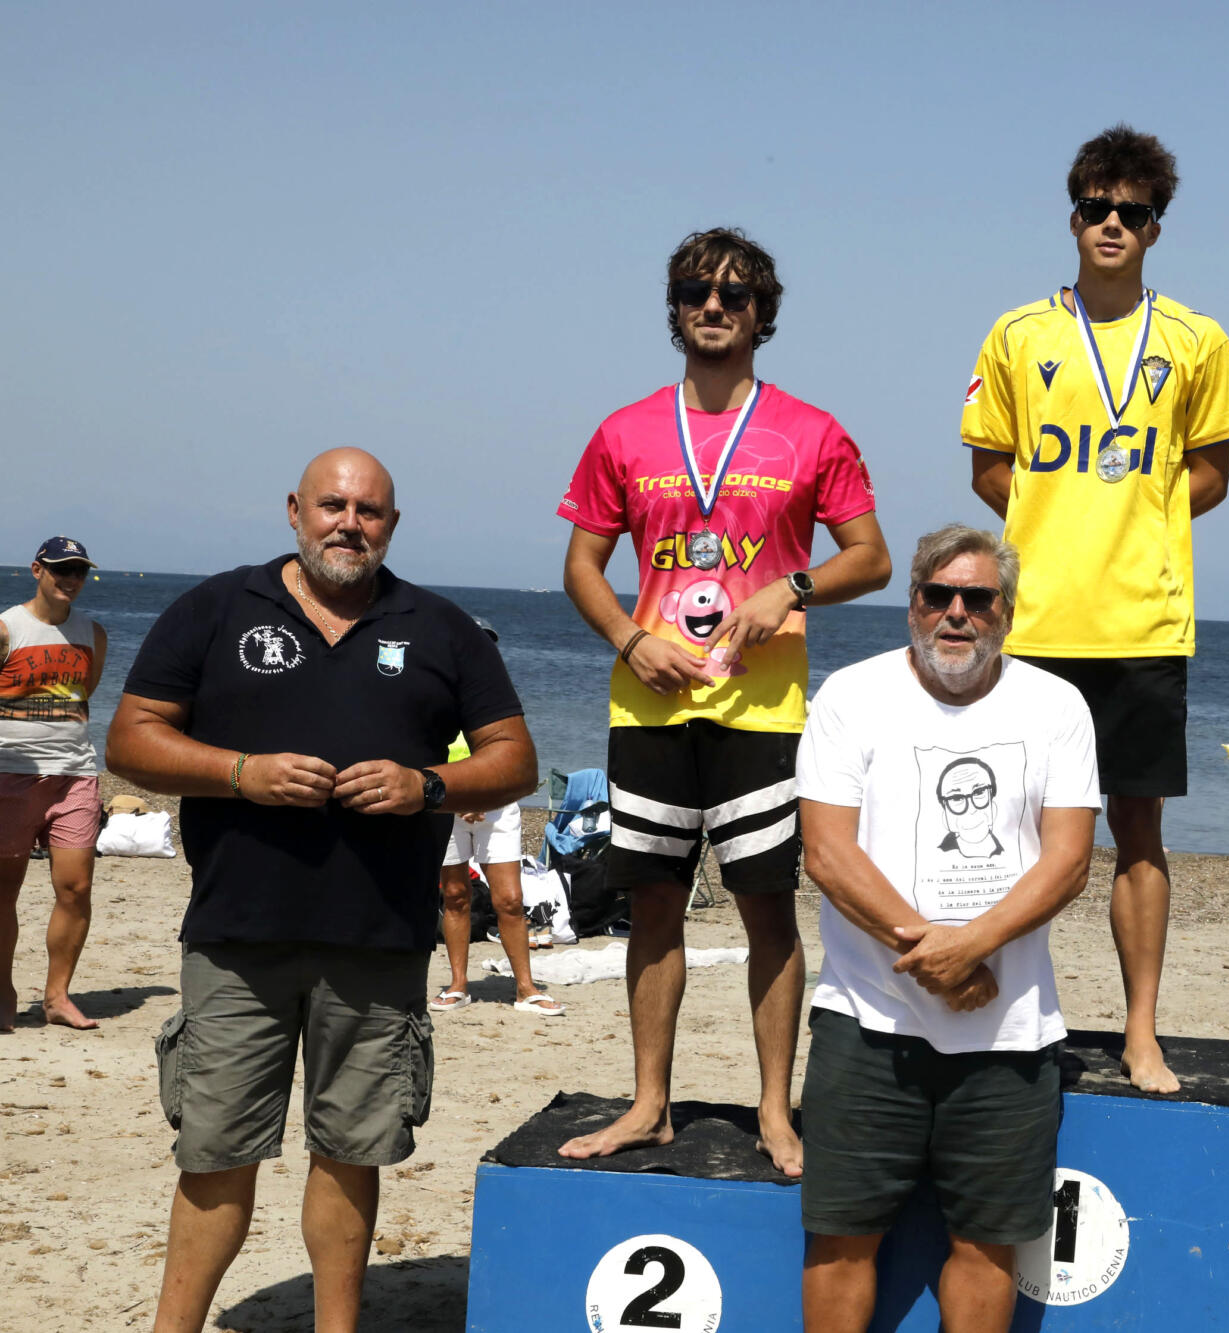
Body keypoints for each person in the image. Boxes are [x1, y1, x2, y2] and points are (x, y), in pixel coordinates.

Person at [105, 449, 537, 1333]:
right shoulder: (216, 608)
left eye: (369, 511)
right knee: (216, 1152)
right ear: (295, 511)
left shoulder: (440, 626)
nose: (350, 523)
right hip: (236, 933)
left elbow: (516, 759)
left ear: (392, 525)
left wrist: (426, 785)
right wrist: (240, 772)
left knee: (351, 1151)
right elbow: (131, 739)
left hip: (379, 937)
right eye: (333, 505)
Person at [555, 227, 891, 1171]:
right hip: (650, 706)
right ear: (675, 308)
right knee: (653, 909)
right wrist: (632, 638)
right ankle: (648, 1104)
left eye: (734, 294)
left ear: (761, 313)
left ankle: (776, 1111)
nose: (713, 305)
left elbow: (872, 557)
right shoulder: (624, 431)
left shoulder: (811, 430)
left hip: (763, 711)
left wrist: (794, 586)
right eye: (696, 291)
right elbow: (582, 565)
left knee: (767, 912)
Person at [962, 124, 1229, 1093]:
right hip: (1035, 622)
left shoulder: (1196, 340)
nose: (1112, 224)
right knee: (1018, 834)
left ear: (1155, 227)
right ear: (1073, 217)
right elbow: (988, 467)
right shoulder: (1016, 334)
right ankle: (1009, 1013)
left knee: (1138, 833)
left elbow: (1211, 472)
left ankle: (1140, 1031)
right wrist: (1060, 516)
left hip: (1141, 623)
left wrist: (1136, 514)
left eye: (1132, 211)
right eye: (1096, 207)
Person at [793, 524, 1098, 1333]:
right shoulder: (850, 695)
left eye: (978, 598)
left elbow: (1070, 858)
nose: (957, 612)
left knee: (987, 1247)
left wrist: (974, 944)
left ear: (1007, 611)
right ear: (913, 605)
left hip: (1010, 1027)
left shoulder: (1057, 705)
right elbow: (826, 850)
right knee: (839, 1241)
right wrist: (936, 952)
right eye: (939, 595)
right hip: (866, 1019)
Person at [1, 536, 109, 1032]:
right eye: (62, 569)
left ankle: (57, 998)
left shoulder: (93, 634)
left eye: (79, 571)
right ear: (37, 570)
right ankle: (2, 993)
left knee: (76, 888)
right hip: (9, 774)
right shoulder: (7, 628)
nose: (71, 579)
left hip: (75, 774)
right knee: (4, 891)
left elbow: (85, 694)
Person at [432, 617, 563, 1017]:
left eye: (487, 644)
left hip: (497, 805)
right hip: (447, 804)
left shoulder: (498, 698)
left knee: (510, 899)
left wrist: (484, 794)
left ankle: (525, 988)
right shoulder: (434, 696)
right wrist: (459, 795)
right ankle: (458, 985)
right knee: (455, 896)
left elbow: (513, 757)